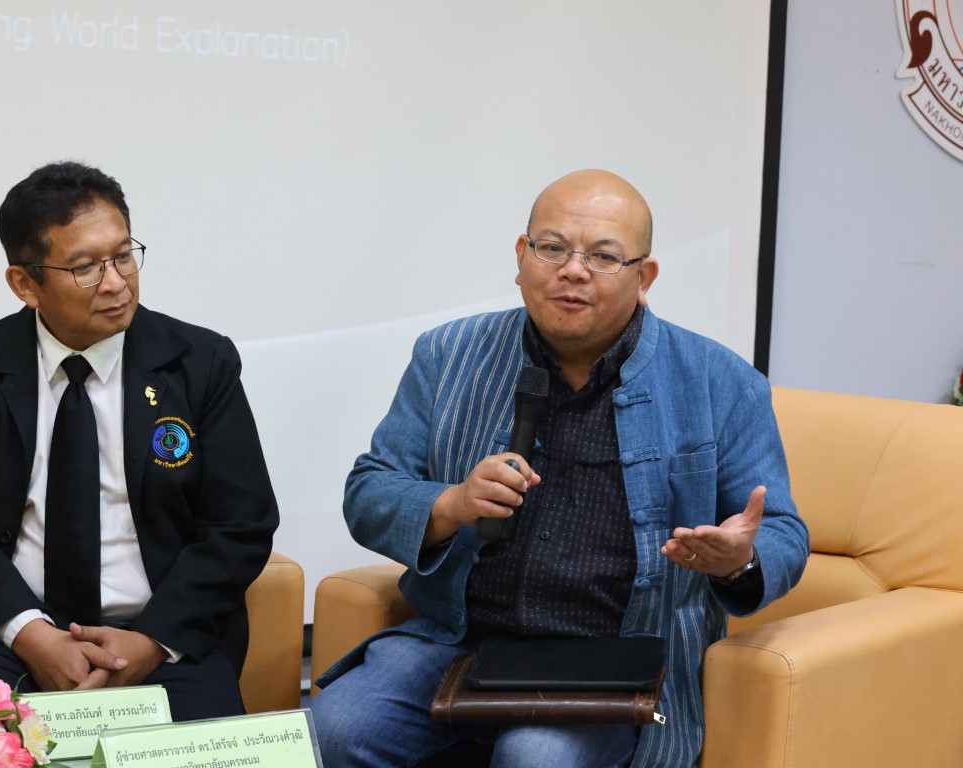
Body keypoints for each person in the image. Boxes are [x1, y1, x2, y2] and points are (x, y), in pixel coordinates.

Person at [310, 169, 809, 767]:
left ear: (644, 278)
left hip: (614, 663)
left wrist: (738, 562)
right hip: (460, 641)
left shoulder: (720, 382)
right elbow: (369, 490)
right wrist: (452, 503)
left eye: (604, 257)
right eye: (552, 248)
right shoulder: (447, 354)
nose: (573, 271)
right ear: (521, 257)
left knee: (536, 756)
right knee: (333, 728)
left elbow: (782, 531)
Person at [0, 161, 279, 722]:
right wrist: (31, 634)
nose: (116, 282)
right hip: (7, 633)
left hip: (164, 635)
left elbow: (241, 526)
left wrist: (151, 641)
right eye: (85, 267)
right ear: (26, 284)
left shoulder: (200, 362)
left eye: (123, 255)